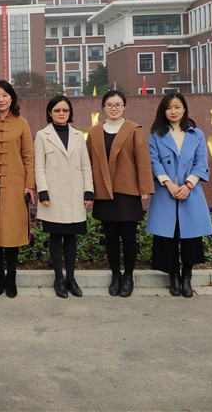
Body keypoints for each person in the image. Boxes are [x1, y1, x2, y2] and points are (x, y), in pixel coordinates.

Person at [86, 90, 154, 298]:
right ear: (103, 107)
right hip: (104, 191)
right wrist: (88, 189)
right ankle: (115, 275)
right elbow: (87, 162)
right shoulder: (94, 132)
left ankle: (129, 276)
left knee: (129, 237)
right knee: (111, 237)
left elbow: (143, 160)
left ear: (124, 107)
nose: (113, 108)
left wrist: (145, 187)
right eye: (109, 104)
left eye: (117, 104)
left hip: (127, 191)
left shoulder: (133, 130)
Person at [146, 93, 212, 298]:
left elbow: (201, 163)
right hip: (165, 192)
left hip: (189, 192)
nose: (173, 111)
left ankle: (187, 278)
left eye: (177, 107)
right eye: (168, 108)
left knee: (190, 237)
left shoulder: (196, 134)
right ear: (163, 111)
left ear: (184, 109)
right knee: (166, 237)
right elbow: (153, 161)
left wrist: (188, 185)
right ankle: (173, 276)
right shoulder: (156, 134)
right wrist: (168, 183)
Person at [34, 96, 94, 298]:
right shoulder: (42, 135)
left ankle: (71, 279)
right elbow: (38, 166)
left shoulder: (78, 135)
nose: (61, 113)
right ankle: (59, 279)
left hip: (75, 193)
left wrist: (88, 190)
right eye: (57, 110)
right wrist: (42, 190)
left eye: (65, 110)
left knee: (71, 238)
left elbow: (85, 165)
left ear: (70, 113)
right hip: (53, 195)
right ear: (49, 113)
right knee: (55, 237)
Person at [0, 80, 36, 298]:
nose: (1, 100)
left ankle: (11, 276)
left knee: (12, 234)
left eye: (4, 95)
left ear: (12, 98)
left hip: (16, 186)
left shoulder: (22, 123)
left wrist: (29, 185)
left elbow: (28, 156)